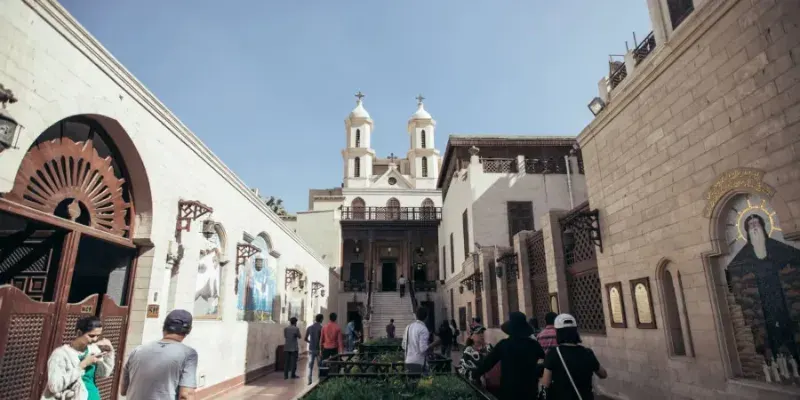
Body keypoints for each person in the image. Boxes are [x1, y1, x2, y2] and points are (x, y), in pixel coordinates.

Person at [122, 309, 198, 400]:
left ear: (164, 327)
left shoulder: (137, 350)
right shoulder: (188, 354)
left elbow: (123, 390)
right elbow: (186, 395)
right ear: (188, 331)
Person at [474, 311, 546, 400]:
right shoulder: (534, 345)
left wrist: (476, 373)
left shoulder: (504, 345)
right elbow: (544, 363)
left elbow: (488, 363)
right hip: (529, 390)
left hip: (508, 391)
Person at [41, 316, 114, 400]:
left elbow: (104, 373)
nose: (95, 339)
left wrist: (109, 354)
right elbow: (54, 386)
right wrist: (82, 365)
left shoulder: (93, 349)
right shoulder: (60, 354)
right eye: (92, 336)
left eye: (98, 336)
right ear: (79, 333)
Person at [541, 313, 608, 400]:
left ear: (558, 333)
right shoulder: (587, 353)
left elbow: (546, 382)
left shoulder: (553, 354)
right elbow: (603, 374)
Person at [402, 306, 440, 372]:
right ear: (426, 317)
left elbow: (403, 345)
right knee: (426, 380)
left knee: (412, 381)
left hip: (408, 360)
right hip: (419, 362)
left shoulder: (408, 327)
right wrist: (434, 343)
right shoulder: (423, 329)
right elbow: (423, 349)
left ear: (416, 316)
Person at [305, 314, 324, 385]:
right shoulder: (322, 328)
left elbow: (305, 338)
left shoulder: (309, 327)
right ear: (321, 319)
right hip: (319, 349)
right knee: (320, 365)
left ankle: (309, 380)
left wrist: (311, 342)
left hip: (311, 349)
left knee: (310, 366)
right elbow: (322, 339)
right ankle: (320, 379)